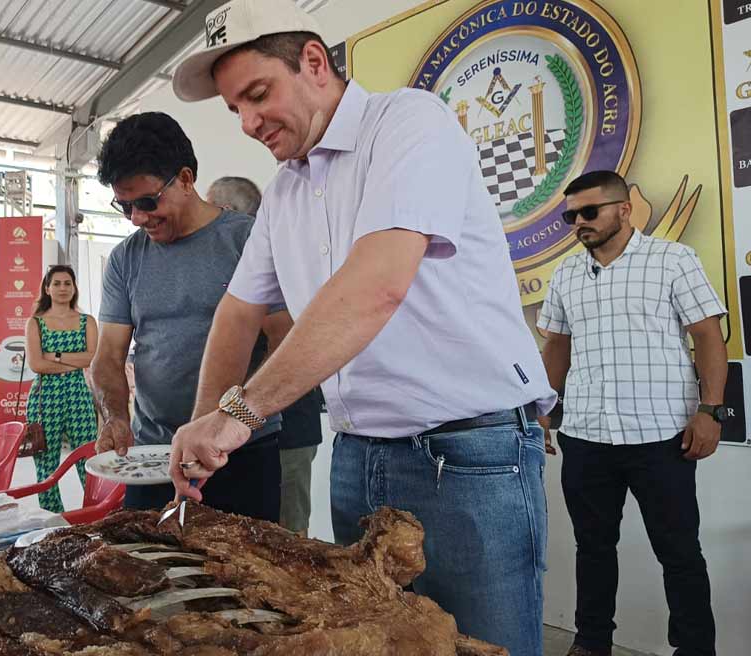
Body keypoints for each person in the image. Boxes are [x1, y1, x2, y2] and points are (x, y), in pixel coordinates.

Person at [166, 1, 557, 654]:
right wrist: (202, 423)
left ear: (314, 62)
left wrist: (242, 410)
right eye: (235, 109)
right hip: (358, 457)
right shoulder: (286, 190)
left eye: (258, 95)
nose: (249, 122)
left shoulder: (407, 124)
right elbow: (238, 311)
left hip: (466, 457)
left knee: (486, 645)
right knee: (378, 644)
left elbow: (377, 284)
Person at [537, 171, 726, 656]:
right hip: (585, 436)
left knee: (680, 553)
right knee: (593, 549)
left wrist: (710, 410)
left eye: (589, 211)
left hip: (663, 438)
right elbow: (557, 345)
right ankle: (592, 640)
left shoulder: (673, 260)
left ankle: (695, 647)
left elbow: (707, 335)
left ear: (624, 209)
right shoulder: (566, 274)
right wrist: (542, 409)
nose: (578, 222)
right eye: (571, 215)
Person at [90, 112, 291, 522]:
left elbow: (285, 340)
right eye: (124, 206)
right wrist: (114, 415)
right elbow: (108, 357)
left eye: (147, 202)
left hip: (240, 453)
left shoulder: (246, 240)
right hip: (153, 457)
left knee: (245, 578)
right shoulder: (125, 259)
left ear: (184, 179)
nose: (137, 218)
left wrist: (235, 418)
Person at [207, 175, 325, 535]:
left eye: (212, 209)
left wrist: (242, 410)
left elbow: (290, 336)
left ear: (227, 212)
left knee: (287, 538)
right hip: (243, 425)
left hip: (284, 426)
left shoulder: (275, 258)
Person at [24, 264, 99, 514]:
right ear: (47, 288)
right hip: (45, 400)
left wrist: (55, 356)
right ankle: (53, 520)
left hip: (79, 397)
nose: (62, 288)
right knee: (46, 464)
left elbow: (92, 359)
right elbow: (36, 364)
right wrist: (73, 360)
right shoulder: (35, 323)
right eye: (56, 283)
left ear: (75, 288)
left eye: (67, 283)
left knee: (88, 458)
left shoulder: (87, 321)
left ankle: (95, 515)